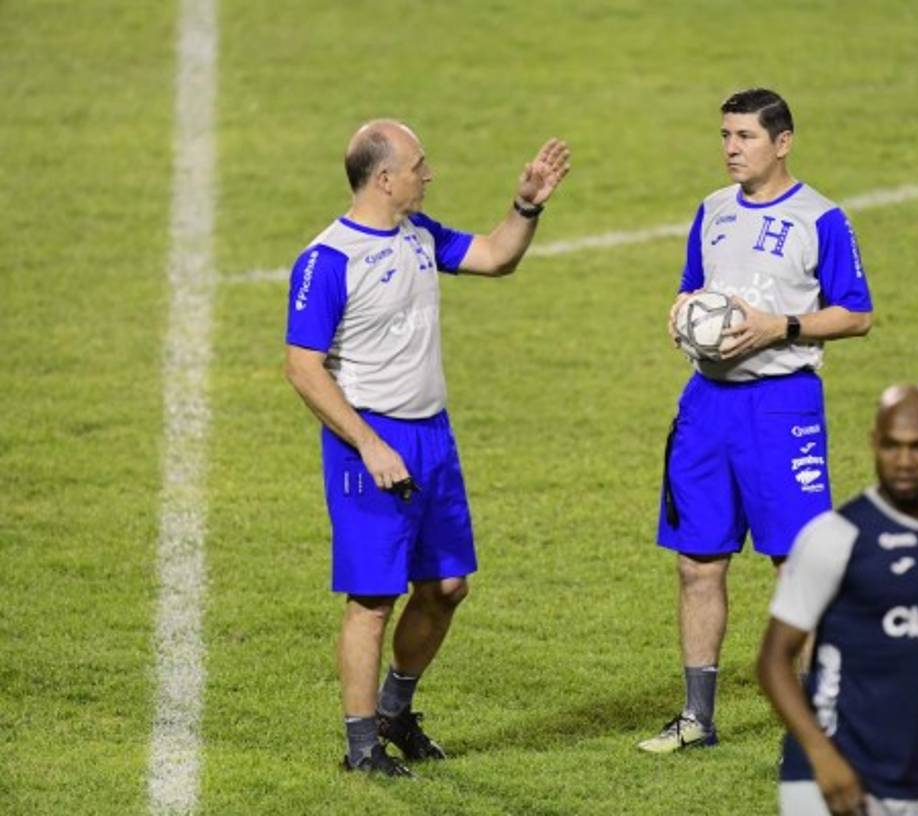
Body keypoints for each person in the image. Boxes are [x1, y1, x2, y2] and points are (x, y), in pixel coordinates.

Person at [284, 120, 570, 776]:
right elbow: (302, 367)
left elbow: (495, 255)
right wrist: (369, 445)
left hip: (433, 436)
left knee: (445, 585)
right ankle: (362, 747)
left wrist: (526, 205)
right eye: (419, 166)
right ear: (385, 179)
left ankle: (394, 712)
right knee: (372, 599)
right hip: (370, 442)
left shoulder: (419, 234)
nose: (428, 174)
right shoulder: (328, 260)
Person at [638, 88, 874, 753]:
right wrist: (681, 311)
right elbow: (692, 286)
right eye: (725, 135)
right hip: (706, 407)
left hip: (780, 407)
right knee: (697, 563)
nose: (731, 148)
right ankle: (696, 719)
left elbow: (856, 314)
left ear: (783, 142)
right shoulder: (712, 210)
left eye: (745, 136)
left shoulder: (821, 218)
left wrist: (781, 327)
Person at [758, 384, 918, 816]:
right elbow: (773, 660)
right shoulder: (835, 537)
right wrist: (822, 756)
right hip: (828, 780)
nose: (904, 461)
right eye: (892, 446)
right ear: (874, 444)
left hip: (914, 784)